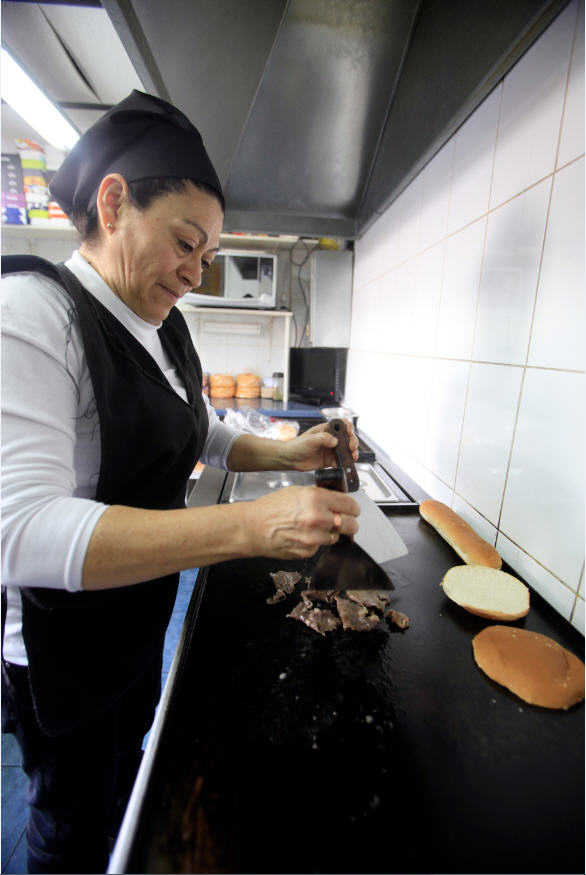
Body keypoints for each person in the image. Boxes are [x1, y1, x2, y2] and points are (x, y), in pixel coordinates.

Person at [0, 90, 360, 874]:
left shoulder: (162, 326)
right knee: (67, 827)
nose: (195, 274)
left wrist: (288, 453)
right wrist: (246, 529)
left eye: (207, 257)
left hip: (134, 620)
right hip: (64, 656)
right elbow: (18, 532)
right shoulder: (31, 314)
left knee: (125, 786)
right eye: (186, 245)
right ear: (114, 200)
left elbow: (197, 430)